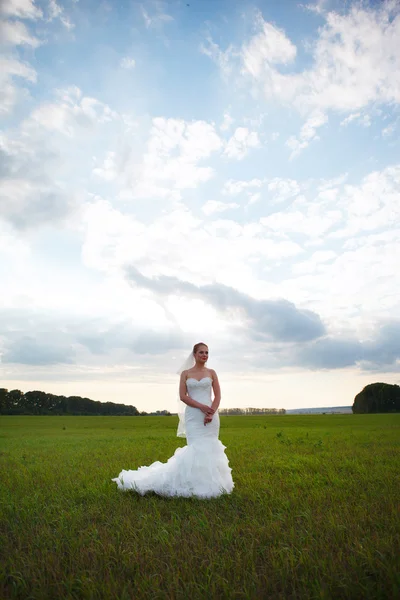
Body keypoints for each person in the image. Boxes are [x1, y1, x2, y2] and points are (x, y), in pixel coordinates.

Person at [112, 342, 234, 498]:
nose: (205, 355)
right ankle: (192, 483)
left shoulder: (212, 372)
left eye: (207, 353)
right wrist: (202, 407)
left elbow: (218, 396)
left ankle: (213, 484)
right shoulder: (186, 373)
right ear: (194, 354)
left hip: (211, 414)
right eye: (202, 352)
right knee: (196, 447)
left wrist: (211, 412)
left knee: (210, 447)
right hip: (194, 415)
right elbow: (183, 396)